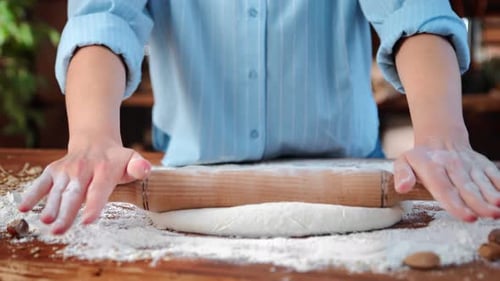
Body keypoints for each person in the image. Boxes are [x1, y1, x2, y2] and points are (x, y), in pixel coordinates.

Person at [19, 0, 500, 235]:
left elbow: (411, 10)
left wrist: (441, 132)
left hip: (354, 180)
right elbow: (105, 18)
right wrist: (90, 134)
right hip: (189, 180)